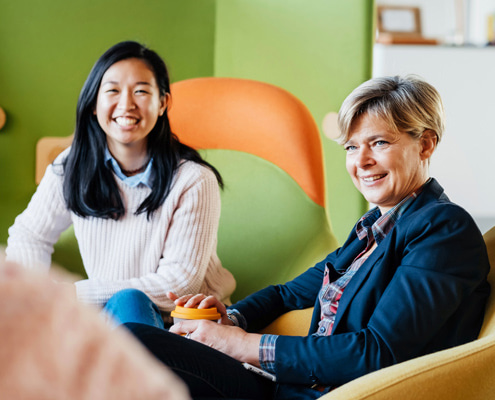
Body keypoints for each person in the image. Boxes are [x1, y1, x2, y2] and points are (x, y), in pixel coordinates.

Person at [120, 75, 491, 400]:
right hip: (285, 386)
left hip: (325, 393)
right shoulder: (373, 228)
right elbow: (288, 293)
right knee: (131, 322)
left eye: (378, 143)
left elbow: (377, 353)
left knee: (133, 341)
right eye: (351, 146)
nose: (360, 161)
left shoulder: (443, 230)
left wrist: (240, 345)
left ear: (425, 144)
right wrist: (231, 319)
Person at [6, 41, 236, 326]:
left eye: (141, 91)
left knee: (129, 301)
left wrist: (71, 293)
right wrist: (34, 296)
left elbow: (179, 284)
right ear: (93, 103)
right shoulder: (71, 166)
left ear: (163, 103)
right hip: (110, 317)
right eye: (113, 90)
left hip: (187, 326)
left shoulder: (194, 180)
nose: (126, 104)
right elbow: (29, 235)